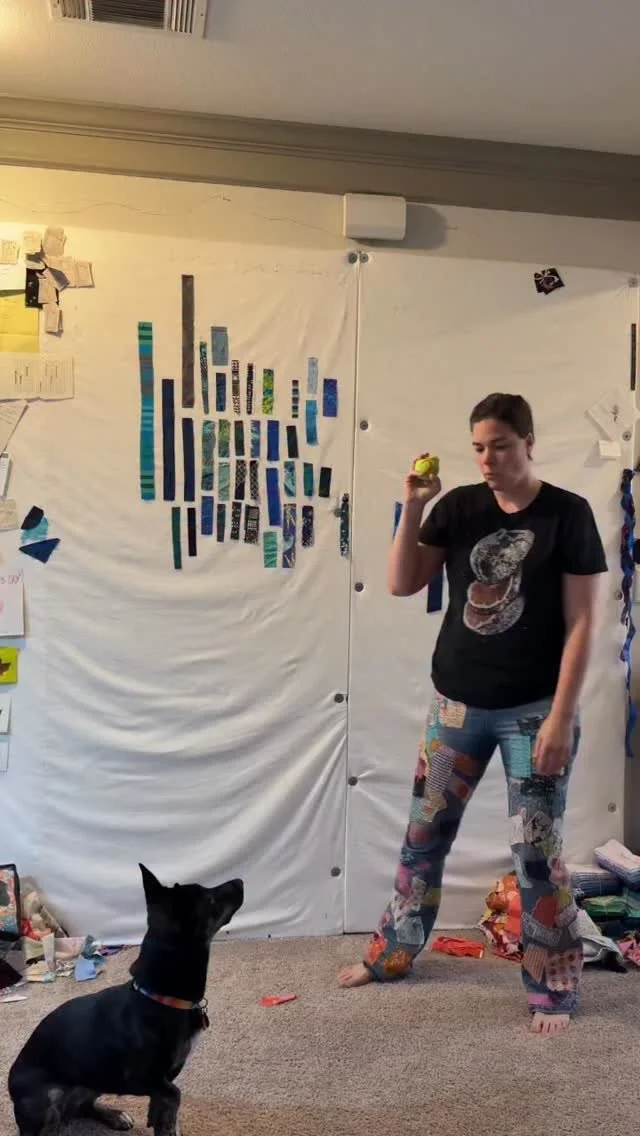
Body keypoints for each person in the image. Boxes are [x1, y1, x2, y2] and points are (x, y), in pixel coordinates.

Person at [338, 393, 608, 1036]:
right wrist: (413, 504)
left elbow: (582, 623)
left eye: (501, 446)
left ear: (529, 443)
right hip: (455, 706)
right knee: (423, 836)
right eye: (479, 448)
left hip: (533, 714)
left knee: (537, 855)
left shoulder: (567, 514)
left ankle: (553, 985)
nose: (488, 459)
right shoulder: (458, 507)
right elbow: (402, 582)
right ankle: (391, 953)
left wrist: (561, 717)